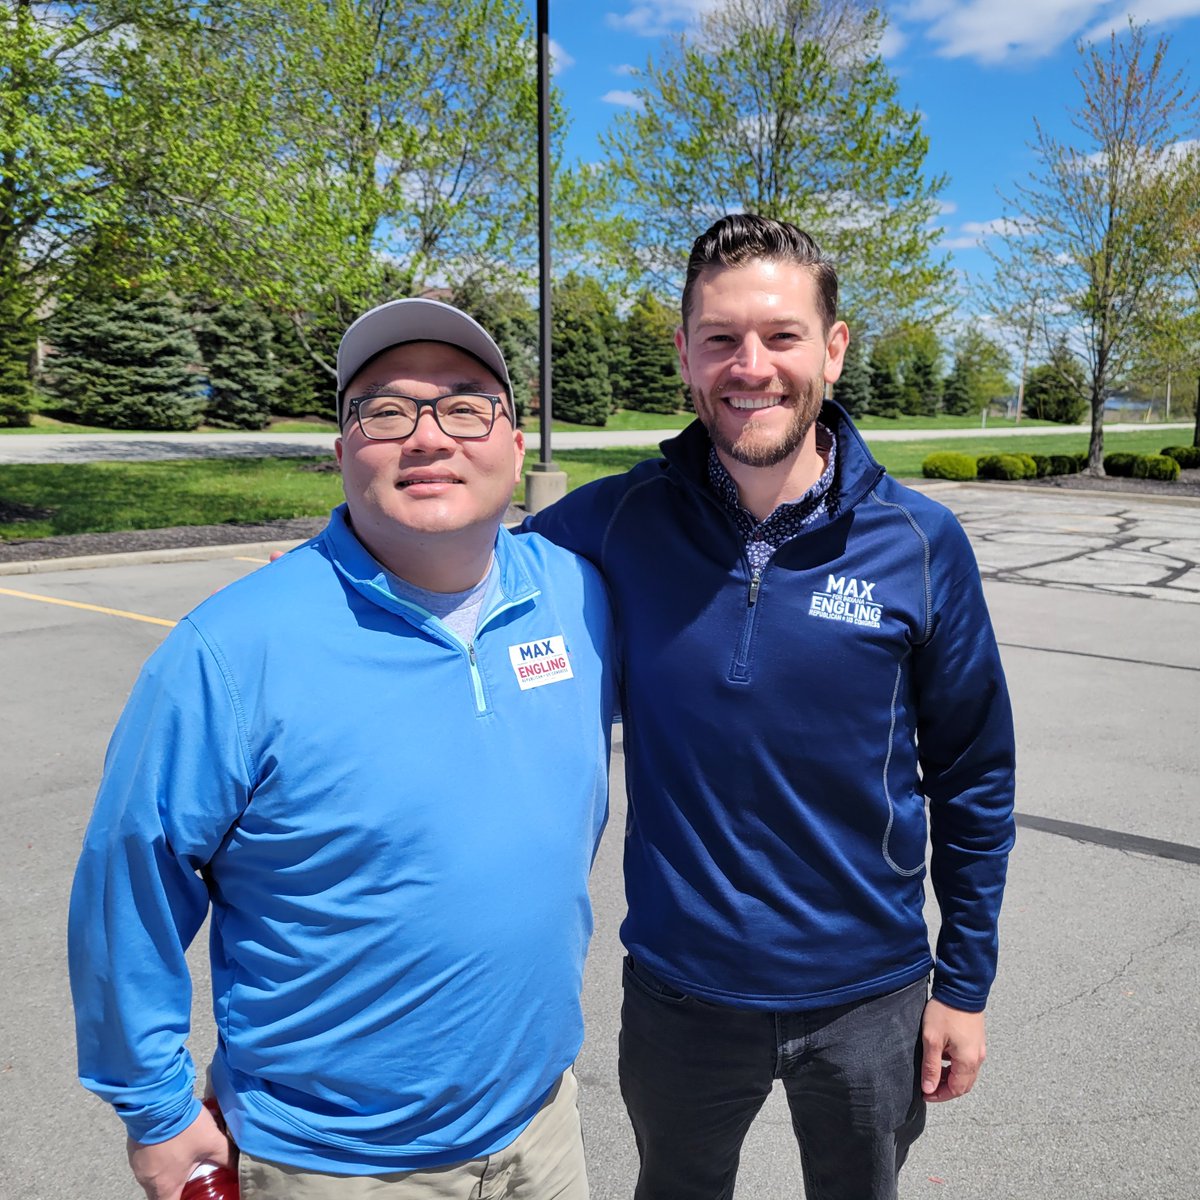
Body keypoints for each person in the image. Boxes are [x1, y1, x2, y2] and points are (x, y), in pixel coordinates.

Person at [68, 298, 616, 1200]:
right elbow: (127, 888)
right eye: (385, 409)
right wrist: (157, 1113)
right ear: (342, 453)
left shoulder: (579, 596)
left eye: (467, 404)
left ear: (517, 447)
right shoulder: (233, 651)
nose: (428, 436)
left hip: (543, 1133)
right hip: (335, 1164)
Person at [525, 214, 1016, 1200]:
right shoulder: (616, 522)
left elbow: (974, 773)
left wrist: (962, 982)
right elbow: (459, 562)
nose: (751, 367)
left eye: (782, 336)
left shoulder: (920, 544)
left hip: (869, 995)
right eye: (720, 340)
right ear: (684, 356)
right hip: (680, 991)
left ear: (832, 350)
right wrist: (341, 560)